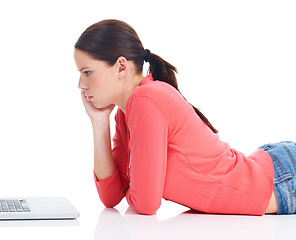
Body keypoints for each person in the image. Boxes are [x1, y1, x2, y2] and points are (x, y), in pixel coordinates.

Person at [74, 19, 295, 215]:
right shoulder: (125, 115)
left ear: (121, 66)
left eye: (87, 72)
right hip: (274, 170)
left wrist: (135, 186)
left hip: (283, 179)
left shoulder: (146, 99)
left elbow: (145, 204)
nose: (81, 85)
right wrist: (99, 122)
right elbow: (111, 197)